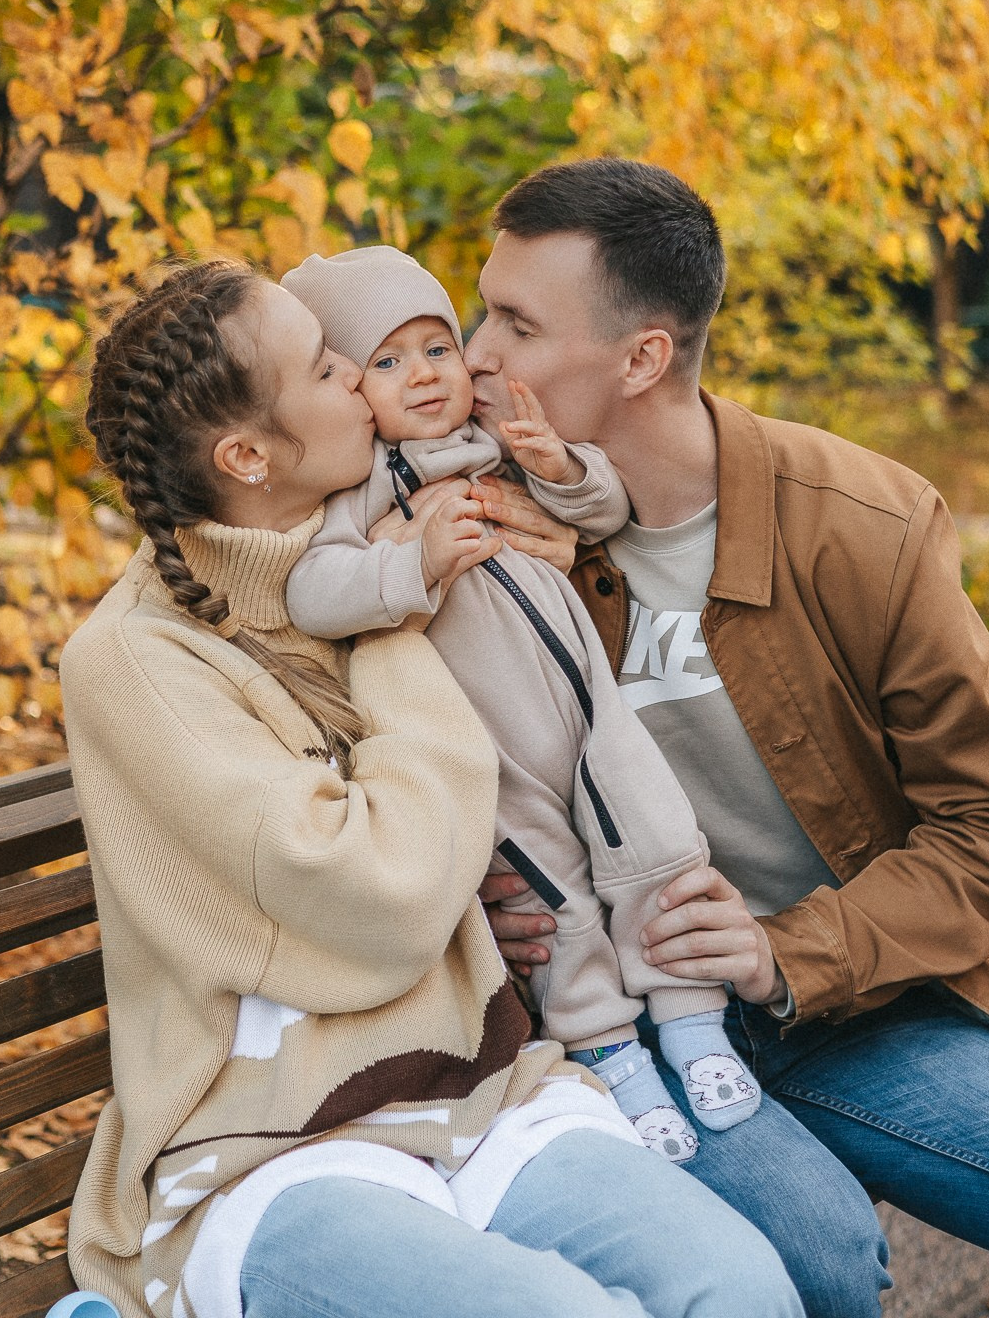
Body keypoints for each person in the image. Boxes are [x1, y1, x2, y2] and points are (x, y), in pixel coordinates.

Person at [460, 159, 989, 1318]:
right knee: (814, 1264)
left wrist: (790, 955)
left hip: (847, 999)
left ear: (642, 357)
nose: (474, 354)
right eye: (481, 309)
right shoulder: (467, 526)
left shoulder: (860, 521)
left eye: (514, 323)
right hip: (618, 1030)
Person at [59, 258, 803, 1318]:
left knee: (742, 1294)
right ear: (247, 455)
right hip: (279, 1141)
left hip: (484, 1087)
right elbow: (384, 886)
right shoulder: (139, 658)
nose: (366, 381)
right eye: (328, 368)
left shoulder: (374, 546)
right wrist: (395, 609)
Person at [277, 243, 761, 1162]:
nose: (423, 375)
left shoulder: (498, 445)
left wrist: (560, 469)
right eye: (385, 362)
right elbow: (315, 590)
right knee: (553, 894)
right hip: (490, 743)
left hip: (588, 705)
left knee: (654, 835)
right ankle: (614, 1054)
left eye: (436, 348)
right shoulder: (368, 491)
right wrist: (410, 563)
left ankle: (695, 1025)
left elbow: (605, 511)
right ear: (348, 386)